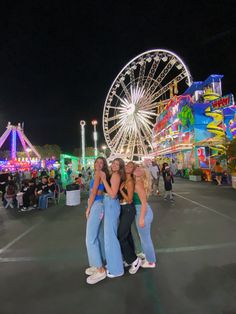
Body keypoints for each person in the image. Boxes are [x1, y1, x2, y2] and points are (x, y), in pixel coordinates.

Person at [85, 157, 109, 285]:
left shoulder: (99, 173)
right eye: (97, 162)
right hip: (96, 203)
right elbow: (97, 190)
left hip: (96, 204)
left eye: (102, 163)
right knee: (98, 236)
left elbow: (94, 192)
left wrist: (88, 208)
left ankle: (100, 270)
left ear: (104, 165)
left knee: (90, 239)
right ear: (94, 164)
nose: (99, 164)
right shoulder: (99, 174)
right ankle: (97, 263)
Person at [99, 158, 125, 278]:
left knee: (111, 237)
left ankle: (117, 269)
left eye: (117, 164)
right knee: (110, 236)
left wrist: (104, 179)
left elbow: (113, 194)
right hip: (110, 205)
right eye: (113, 163)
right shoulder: (115, 175)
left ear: (120, 167)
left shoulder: (115, 175)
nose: (114, 165)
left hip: (111, 204)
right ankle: (114, 263)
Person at [118, 161, 141, 275]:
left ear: (133, 170)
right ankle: (130, 258)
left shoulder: (130, 181)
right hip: (123, 209)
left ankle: (134, 260)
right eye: (127, 165)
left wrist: (121, 190)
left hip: (128, 209)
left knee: (121, 236)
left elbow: (130, 199)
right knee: (127, 235)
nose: (128, 167)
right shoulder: (124, 179)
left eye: (131, 166)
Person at [133, 165, 156, 268]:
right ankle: (148, 258)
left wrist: (141, 218)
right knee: (144, 238)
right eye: (137, 168)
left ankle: (151, 261)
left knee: (145, 239)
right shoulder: (139, 182)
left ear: (143, 174)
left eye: (140, 170)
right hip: (144, 211)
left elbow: (143, 203)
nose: (137, 169)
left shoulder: (138, 184)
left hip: (142, 211)